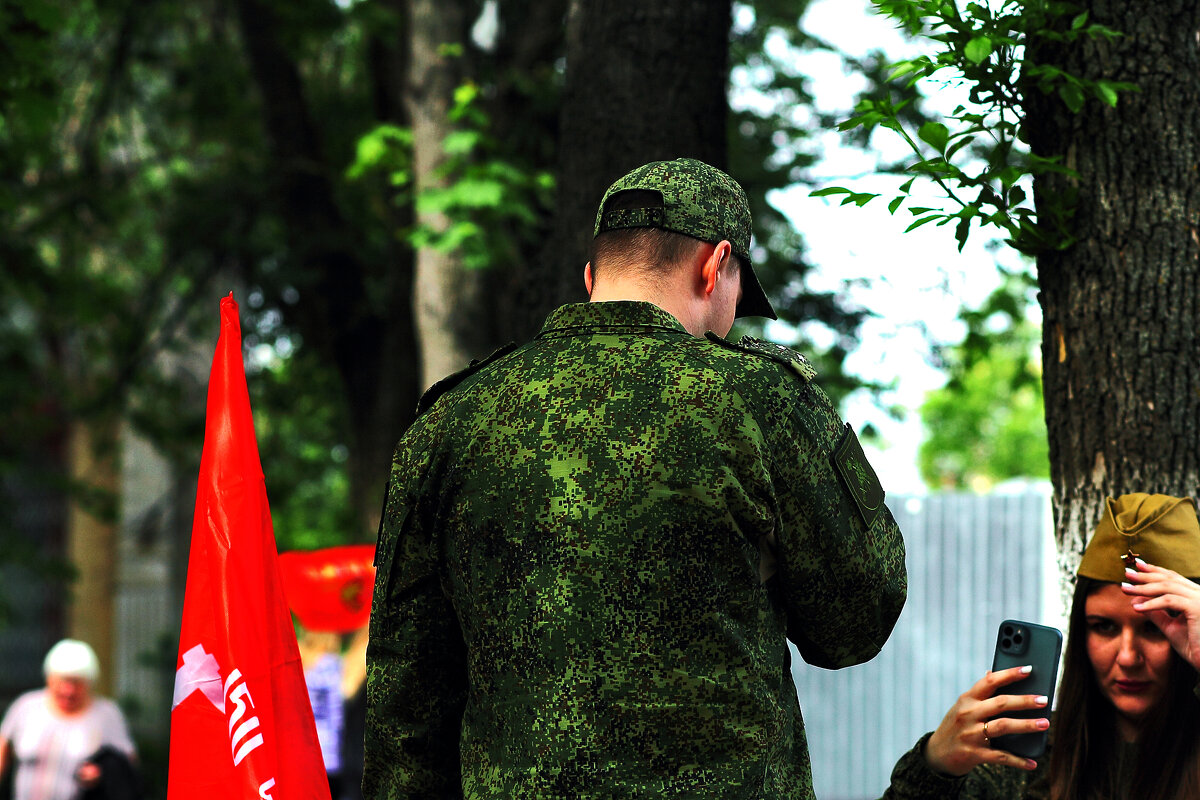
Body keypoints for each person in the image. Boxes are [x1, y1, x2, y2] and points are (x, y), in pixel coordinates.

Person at [364, 157, 907, 798]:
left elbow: (405, 699)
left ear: (593, 276)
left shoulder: (454, 419)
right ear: (716, 266)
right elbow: (857, 621)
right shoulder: (760, 401)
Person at [882, 492, 1200, 799]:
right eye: (1104, 627)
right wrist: (936, 765)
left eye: (1154, 629)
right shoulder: (1022, 761)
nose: (1128, 657)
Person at [0, 639, 137, 800]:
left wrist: (102, 774)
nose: (69, 691)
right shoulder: (26, 706)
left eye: (77, 683)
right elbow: (3, 751)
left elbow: (127, 766)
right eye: (62, 681)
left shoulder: (107, 714)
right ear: (49, 678)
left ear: (91, 683)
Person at [299, 629, 346, 799]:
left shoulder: (298, 661)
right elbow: (337, 714)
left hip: (301, 750)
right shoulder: (332, 665)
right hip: (329, 753)